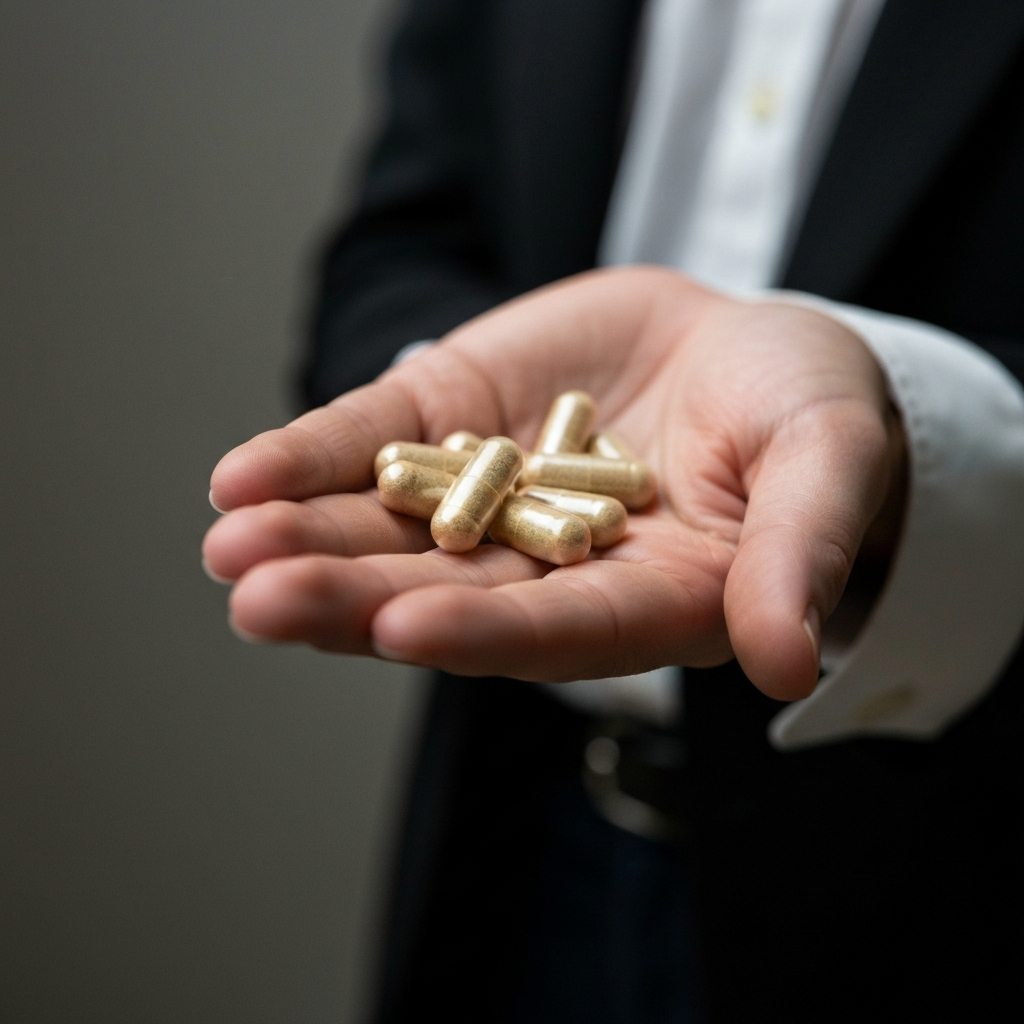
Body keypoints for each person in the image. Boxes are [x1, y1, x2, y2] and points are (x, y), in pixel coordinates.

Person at [203, 0, 1024, 1019]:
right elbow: (396, 247)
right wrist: (448, 403)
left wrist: (914, 442)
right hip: (520, 838)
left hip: (939, 883)